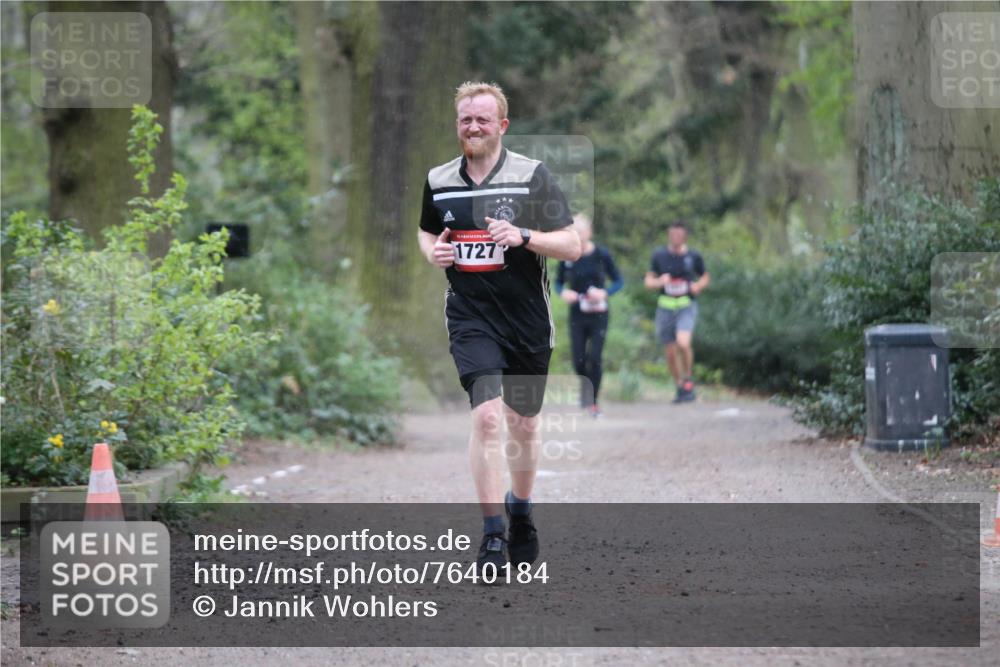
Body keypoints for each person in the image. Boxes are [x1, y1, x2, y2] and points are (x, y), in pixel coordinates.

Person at [417, 82, 581, 577]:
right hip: (471, 317)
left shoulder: (532, 176)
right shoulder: (439, 179)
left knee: (523, 426)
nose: (473, 127)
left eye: (483, 120)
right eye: (466, 119)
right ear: (457, 125)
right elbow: (428, 230)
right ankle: (492, 534)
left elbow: (572, 244)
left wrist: (524, 236)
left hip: (527, 320)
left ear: (502, 125)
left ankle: (521, 511)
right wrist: (434, 252)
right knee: (487, 419)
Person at [555, 214, 623, 417]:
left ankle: (593, 402)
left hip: (599, 313)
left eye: (581, 232)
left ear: (589, 232)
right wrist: (563, 292)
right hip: (577, 313)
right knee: (579, 360)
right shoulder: (568, 256)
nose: (578, 236)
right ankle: (586, 388)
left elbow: (618, 281)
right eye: (574, 232)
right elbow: (558, 282)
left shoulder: (602, 254)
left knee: (595, 357)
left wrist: (605, 293)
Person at [644, 220, 709, 403]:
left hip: (686, 306)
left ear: (685, 236)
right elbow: (648, 282)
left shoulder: (693, 256)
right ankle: (680, 386)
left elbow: (705, 276)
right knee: (671, 353)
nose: (676, 238)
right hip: (665, 307)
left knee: (683, 342)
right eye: (673, 235)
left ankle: (688, 379)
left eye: (679, 235)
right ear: (669, 234)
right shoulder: (659, 256)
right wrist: (659, 282)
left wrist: (698, 286)